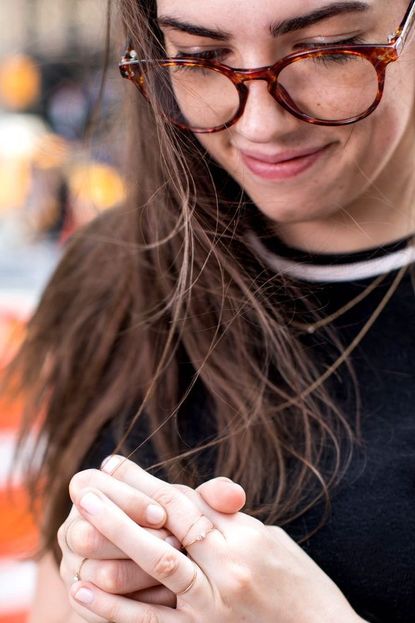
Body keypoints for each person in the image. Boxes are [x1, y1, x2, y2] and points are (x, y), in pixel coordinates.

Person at [11, 0, 415, 621]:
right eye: (198, 58)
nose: (260, 125)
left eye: (329, 51)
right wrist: (93, 594)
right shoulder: (114, 265)